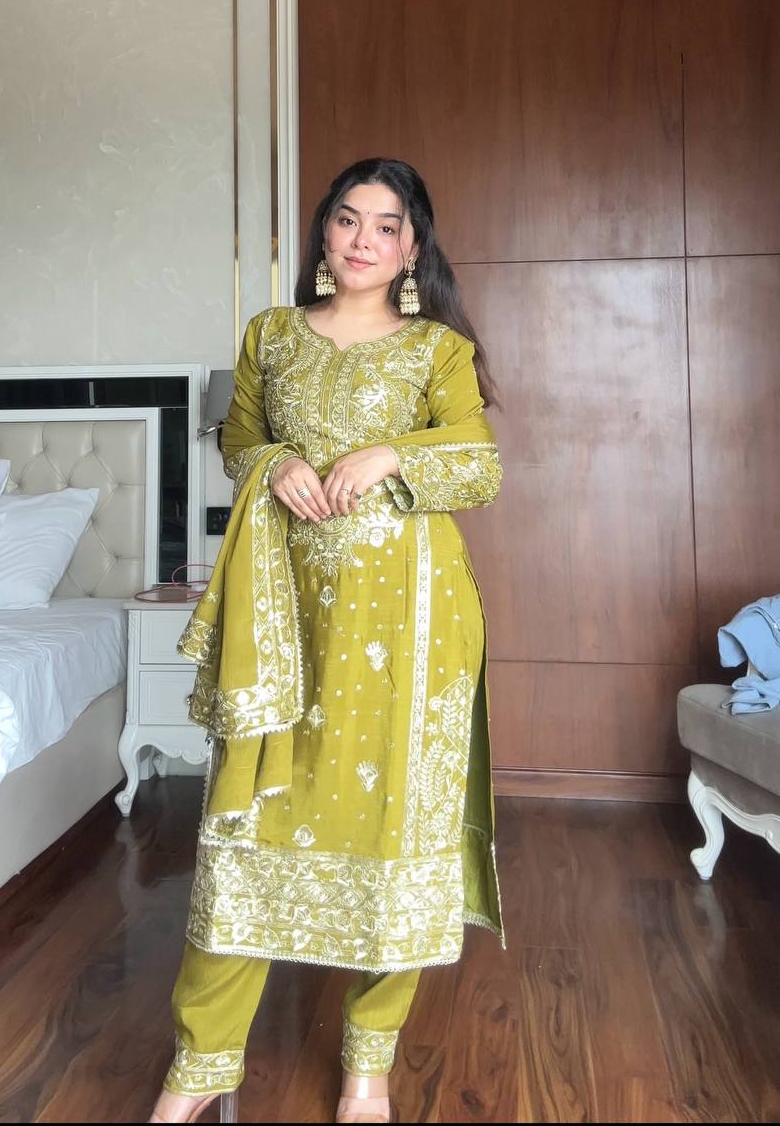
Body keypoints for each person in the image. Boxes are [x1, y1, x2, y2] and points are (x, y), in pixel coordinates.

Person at [149, 158, 506, 1125]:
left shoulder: (437, 349)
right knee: (246, 818)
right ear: (323, 232)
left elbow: (479, 467)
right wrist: (272, 464)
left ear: (412, 249)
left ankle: (368, 1064)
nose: (361, 240)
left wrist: (393, 452)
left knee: (398, 825)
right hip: (284, 616)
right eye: (347, 220)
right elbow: (236, 440)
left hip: (411, 621)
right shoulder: (270, 334)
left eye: (386, 226)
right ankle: (201, 1063)